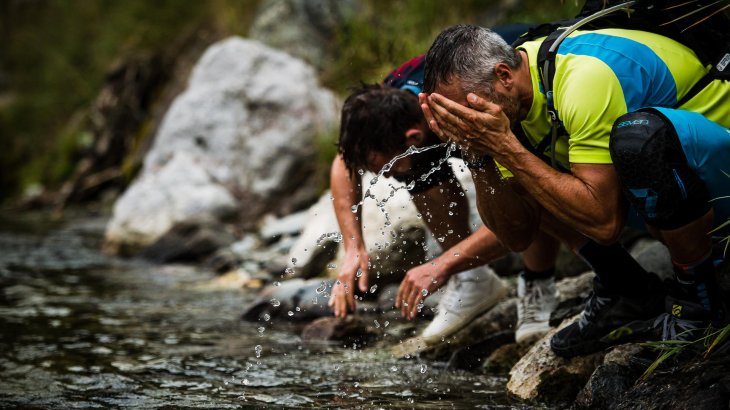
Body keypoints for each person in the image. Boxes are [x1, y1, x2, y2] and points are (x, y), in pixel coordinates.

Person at [419, 24, 729, 357]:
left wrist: (506, 149)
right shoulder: (507, 108)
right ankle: (627, 288)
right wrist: (478, 155)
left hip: (718, 172)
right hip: (668, 193)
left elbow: (604, 224)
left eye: (464, 111)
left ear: (504, 76)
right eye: (451, 116)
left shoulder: (583, 77)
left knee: (636, 139)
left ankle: (697, 300)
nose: (463, 122)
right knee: (532, 179)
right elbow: (517, 236)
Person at [328, 24, 563, 345]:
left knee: (523, 180)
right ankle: (473, 279)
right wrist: (354, 247)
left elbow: (522, 212)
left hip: (518, 81)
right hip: (440, 116)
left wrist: (442, 264)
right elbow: (344, 164)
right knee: (415, 169)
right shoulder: (387, 103)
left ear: (413, 137)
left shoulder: (475, 108)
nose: (381, 175)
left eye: (381, 167)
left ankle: (538, 281)